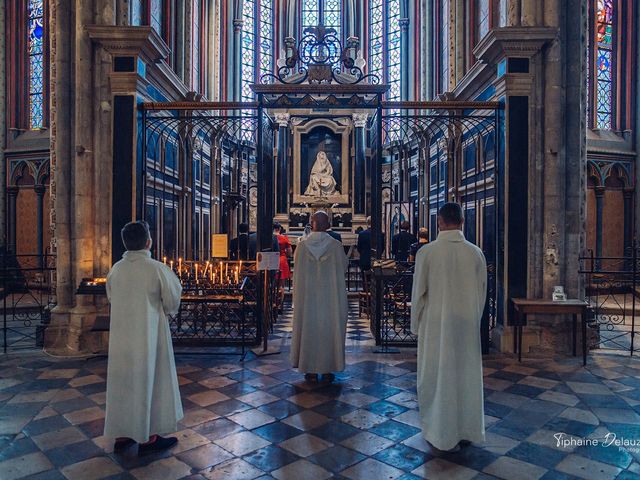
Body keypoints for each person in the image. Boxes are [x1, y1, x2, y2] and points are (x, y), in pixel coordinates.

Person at [410, 203, 487, 453]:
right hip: (465, 325)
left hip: (435, 324)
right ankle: (467, 430)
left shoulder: (427, 253)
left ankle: (438, 431)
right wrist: (472, 320)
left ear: (439, 222)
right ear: (463, 222)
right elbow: (482, 294)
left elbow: (418, 293)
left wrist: (415, 326)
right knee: (465, 376)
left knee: (436, 376)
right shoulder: (476, 253)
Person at [104, 221, 183, 456]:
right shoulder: (155, 268)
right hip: (149, 334)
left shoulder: (116, 269)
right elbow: (173, 299)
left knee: (123, 383)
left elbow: (111, 297)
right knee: (149, 379)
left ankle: (123, 433)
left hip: (120, 338)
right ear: (149, 241)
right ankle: (149, 438)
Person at [290, 211, 348, 383]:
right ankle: (329, 368)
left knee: (309, 327)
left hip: (308, 299)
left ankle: (310, 369)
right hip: (330, 298)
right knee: (330, 328)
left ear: (311, 223)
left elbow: (297, 272)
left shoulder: (301, 246)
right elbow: (343, 266)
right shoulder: (336, 245)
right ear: (328, 224)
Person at [275, 223, 292, 310]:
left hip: (271, 260)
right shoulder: (284, 238)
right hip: (281, 260)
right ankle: (280, 305)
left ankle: (271, 303)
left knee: (270, 283)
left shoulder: (269, 238)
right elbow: (289, 252)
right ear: (279, 229)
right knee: (281, 285)